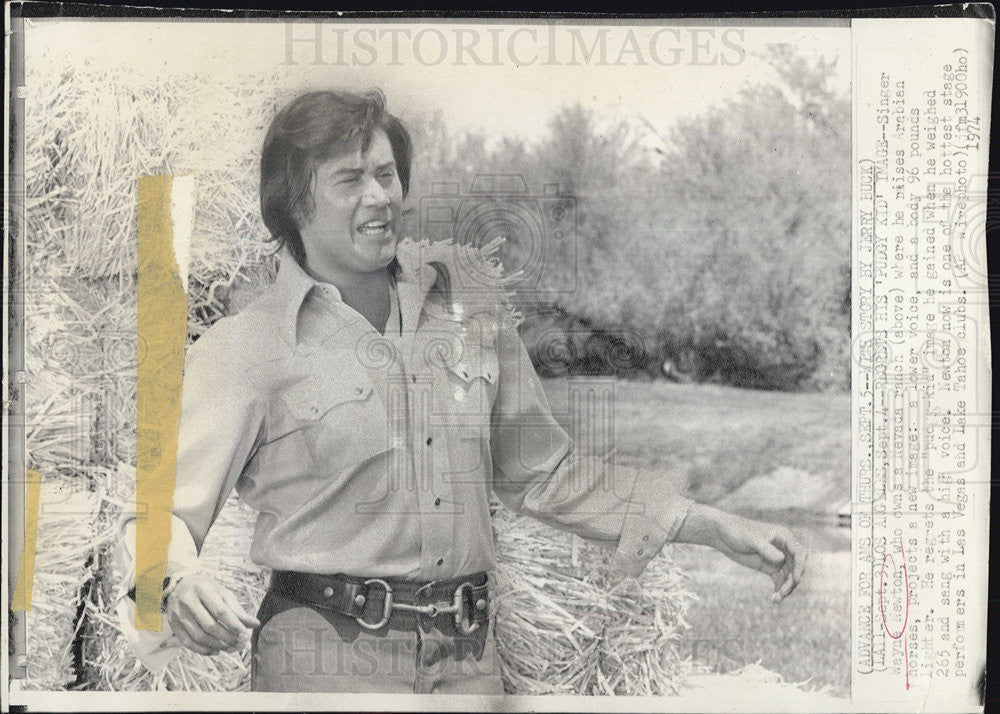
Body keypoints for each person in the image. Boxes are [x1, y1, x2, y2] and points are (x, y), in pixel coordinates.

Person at [119, 89, 806, 694]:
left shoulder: (468, 312)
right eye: (350, 180)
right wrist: (175, 584)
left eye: (387, 175)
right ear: (294, 202)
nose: (381, 197)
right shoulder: (247, 347)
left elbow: (547, 474)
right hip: (323, 665)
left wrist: (710, 524)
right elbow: (163, 515)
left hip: (471, 663)